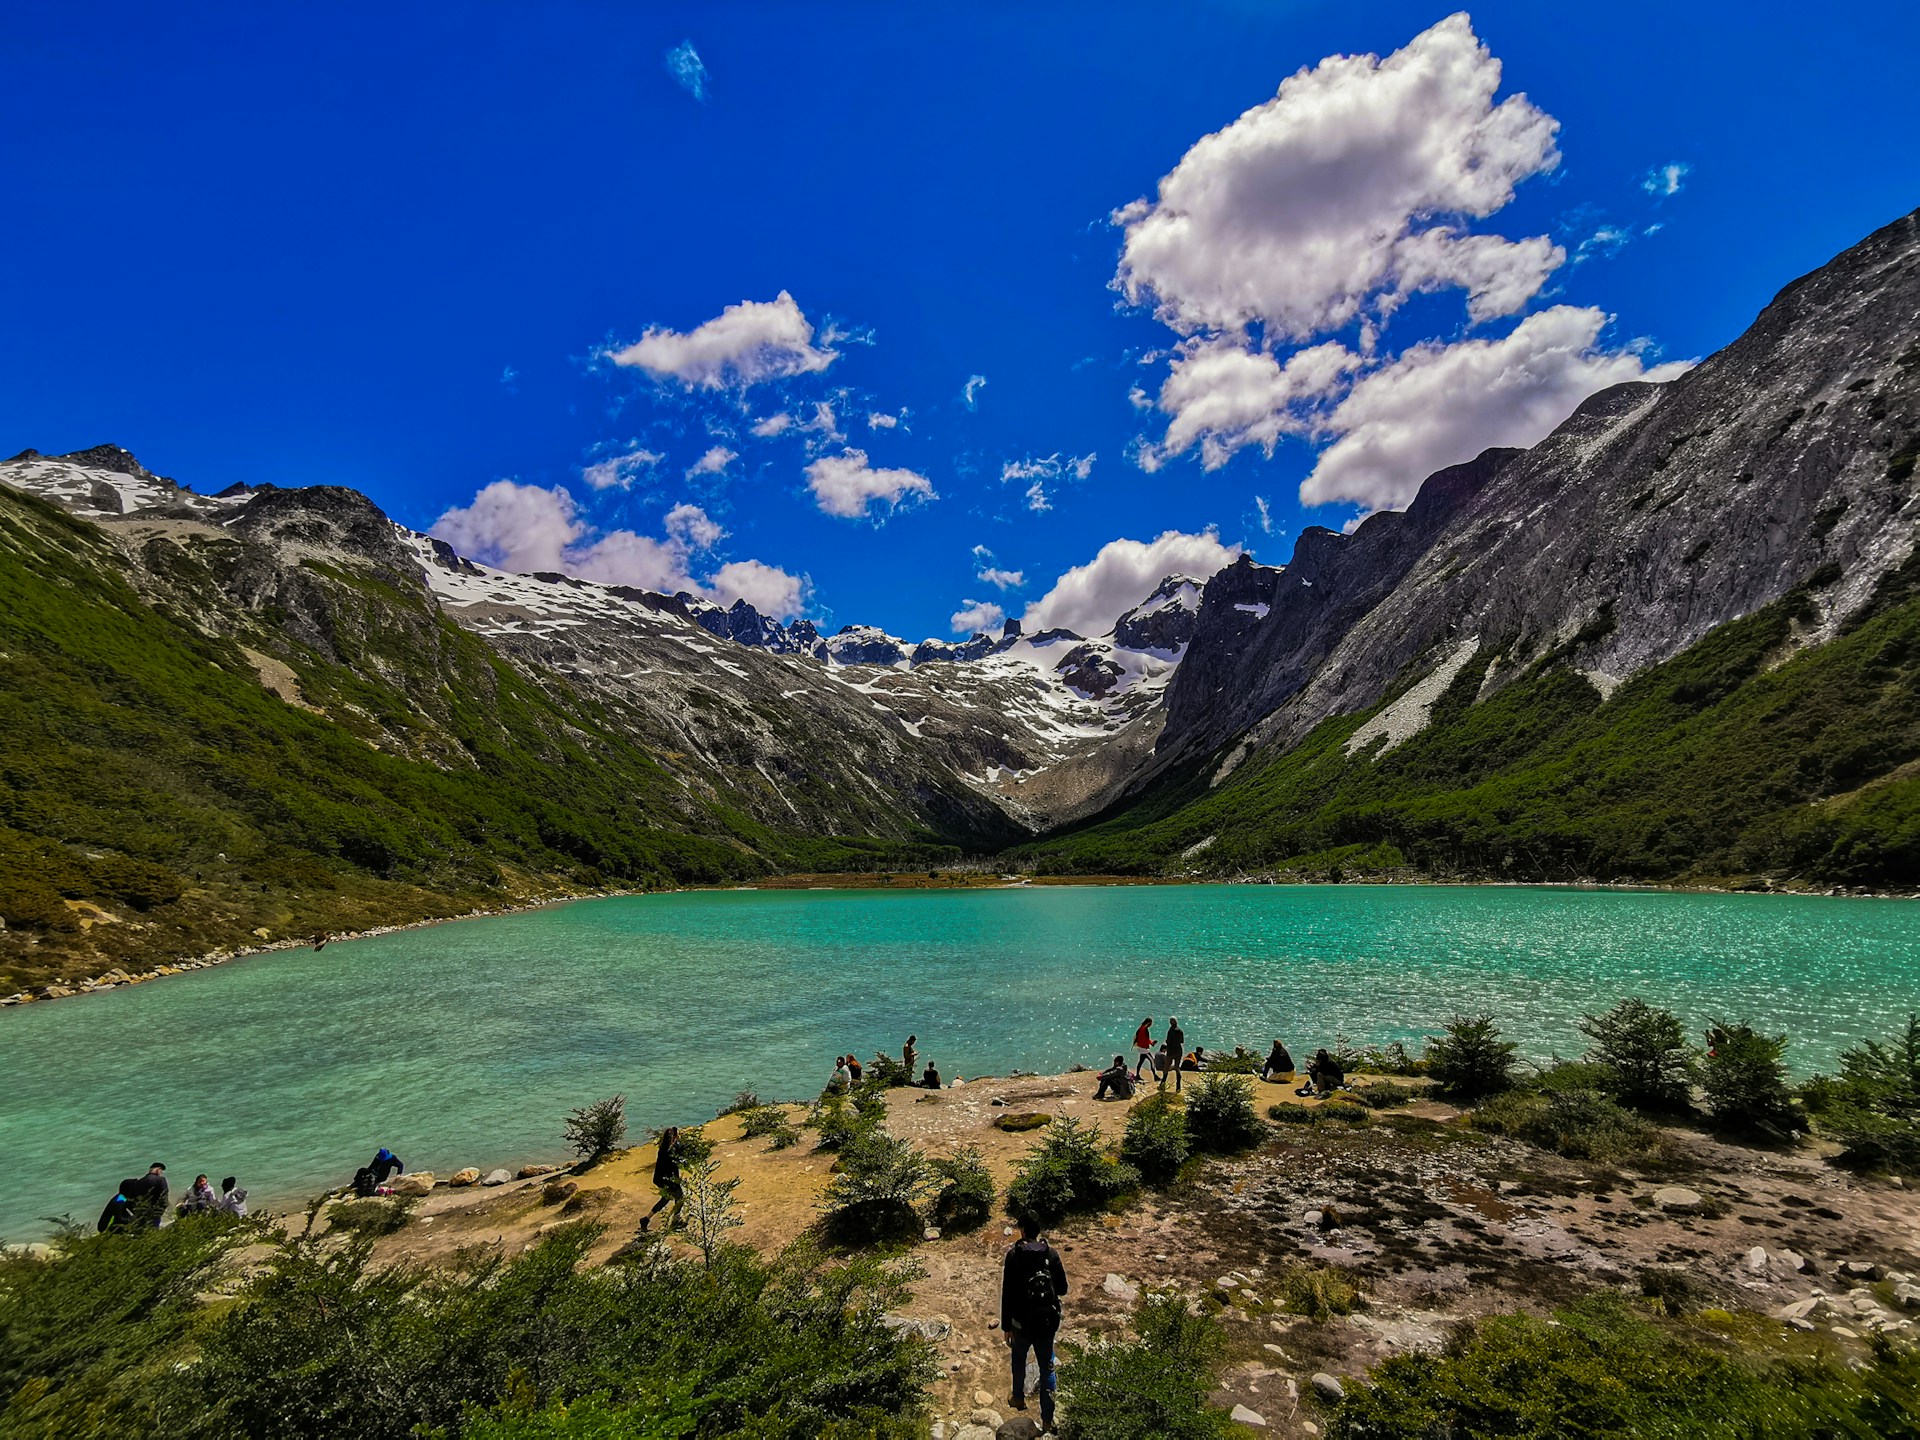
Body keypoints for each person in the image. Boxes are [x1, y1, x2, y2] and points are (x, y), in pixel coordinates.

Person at [1001, 1214, 1068, 1430]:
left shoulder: (1014, 1256)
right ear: (1038, 1231)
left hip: (1020, 1323)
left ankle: (1018, 1398)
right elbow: (1063, 1289)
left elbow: (1007, 1294)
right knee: (1047, 1367)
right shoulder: (1051, 1254)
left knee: (1019, 1359)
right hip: (1046, 1322)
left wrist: (1006, 1326)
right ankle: (1047, 1420)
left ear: (1022, 1231)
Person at [639, 1126, 683, 1232]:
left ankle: (645, 1219)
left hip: (660, 1180)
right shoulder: (672, 1149)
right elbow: (680, 1158)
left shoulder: (662, 1148)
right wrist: (678, 1142)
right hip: (669, 1180)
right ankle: (675, 1221)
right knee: (680, 1198)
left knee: (665, 1199)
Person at [123, 1163, 168, 1227]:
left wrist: (136, 1213)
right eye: (161, 1171)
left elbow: (130, 1200)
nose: (161, 1173)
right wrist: (161, 1210)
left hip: (141, 1213)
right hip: (155, 1212)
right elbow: (164, 1195)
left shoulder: (137, 1183)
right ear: (158, 1170)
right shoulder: (161, 1180)